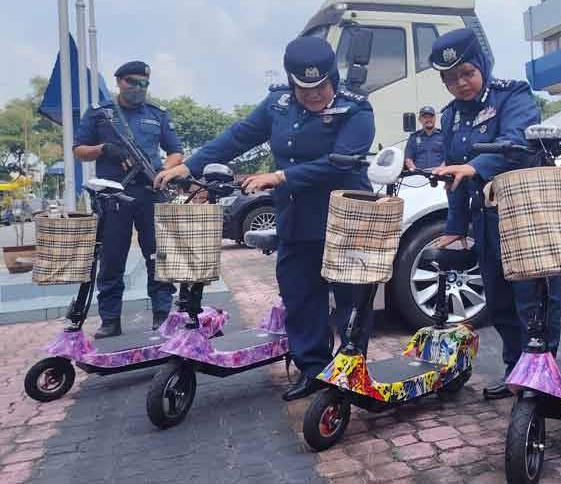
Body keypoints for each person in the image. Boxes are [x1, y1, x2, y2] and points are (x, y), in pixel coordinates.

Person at [154, 36, 375, 401]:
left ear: (332, 75)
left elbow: (343, 160)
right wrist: (188, 166)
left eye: (320, 85)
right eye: (304, 87)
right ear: (291, 82)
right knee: (301, 298)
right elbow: (237, 136)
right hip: (298, 219)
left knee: (351, 301)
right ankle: (312, 371)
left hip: (345, 219)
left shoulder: (356, 109)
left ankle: (350, 372)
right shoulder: (278, 104)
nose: (313, 93)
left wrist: (280, 177)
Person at [429, 28, 561, 400]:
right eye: (450, 79)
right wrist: (455, 229)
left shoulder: (513, 95)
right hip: (487, 218)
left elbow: (516, 142)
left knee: (534, 298)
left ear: (483, 66)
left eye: (467, 73)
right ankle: (516, 369)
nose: (461, 84)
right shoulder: (451, 116)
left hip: (526, 216)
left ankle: (543, 371)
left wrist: (477, 165)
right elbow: (455, 174)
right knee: (500, 300)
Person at [73, 61, 184, 338]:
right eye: (132, 82)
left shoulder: (157, 114)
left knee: (158, 256)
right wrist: (103, 149)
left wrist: (163, 170)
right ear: (119, 82)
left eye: (143, 83)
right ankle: (110, 320)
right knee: (111, 259)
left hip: (150, 192)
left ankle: (162, 315)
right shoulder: (99, 114)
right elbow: (79, 150)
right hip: (113, 197)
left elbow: (176, 151)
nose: (138, 88)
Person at [404, 106, 445, 170]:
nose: (428, 119)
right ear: (420, 120)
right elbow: (408, 159)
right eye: (425, 117)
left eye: (431, 117)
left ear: (435, 118)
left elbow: (449, 157)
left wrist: (441, 170)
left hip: (440, 175)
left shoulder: (444, 135)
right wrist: (415, 172)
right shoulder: (414, 137)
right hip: (419, 175)